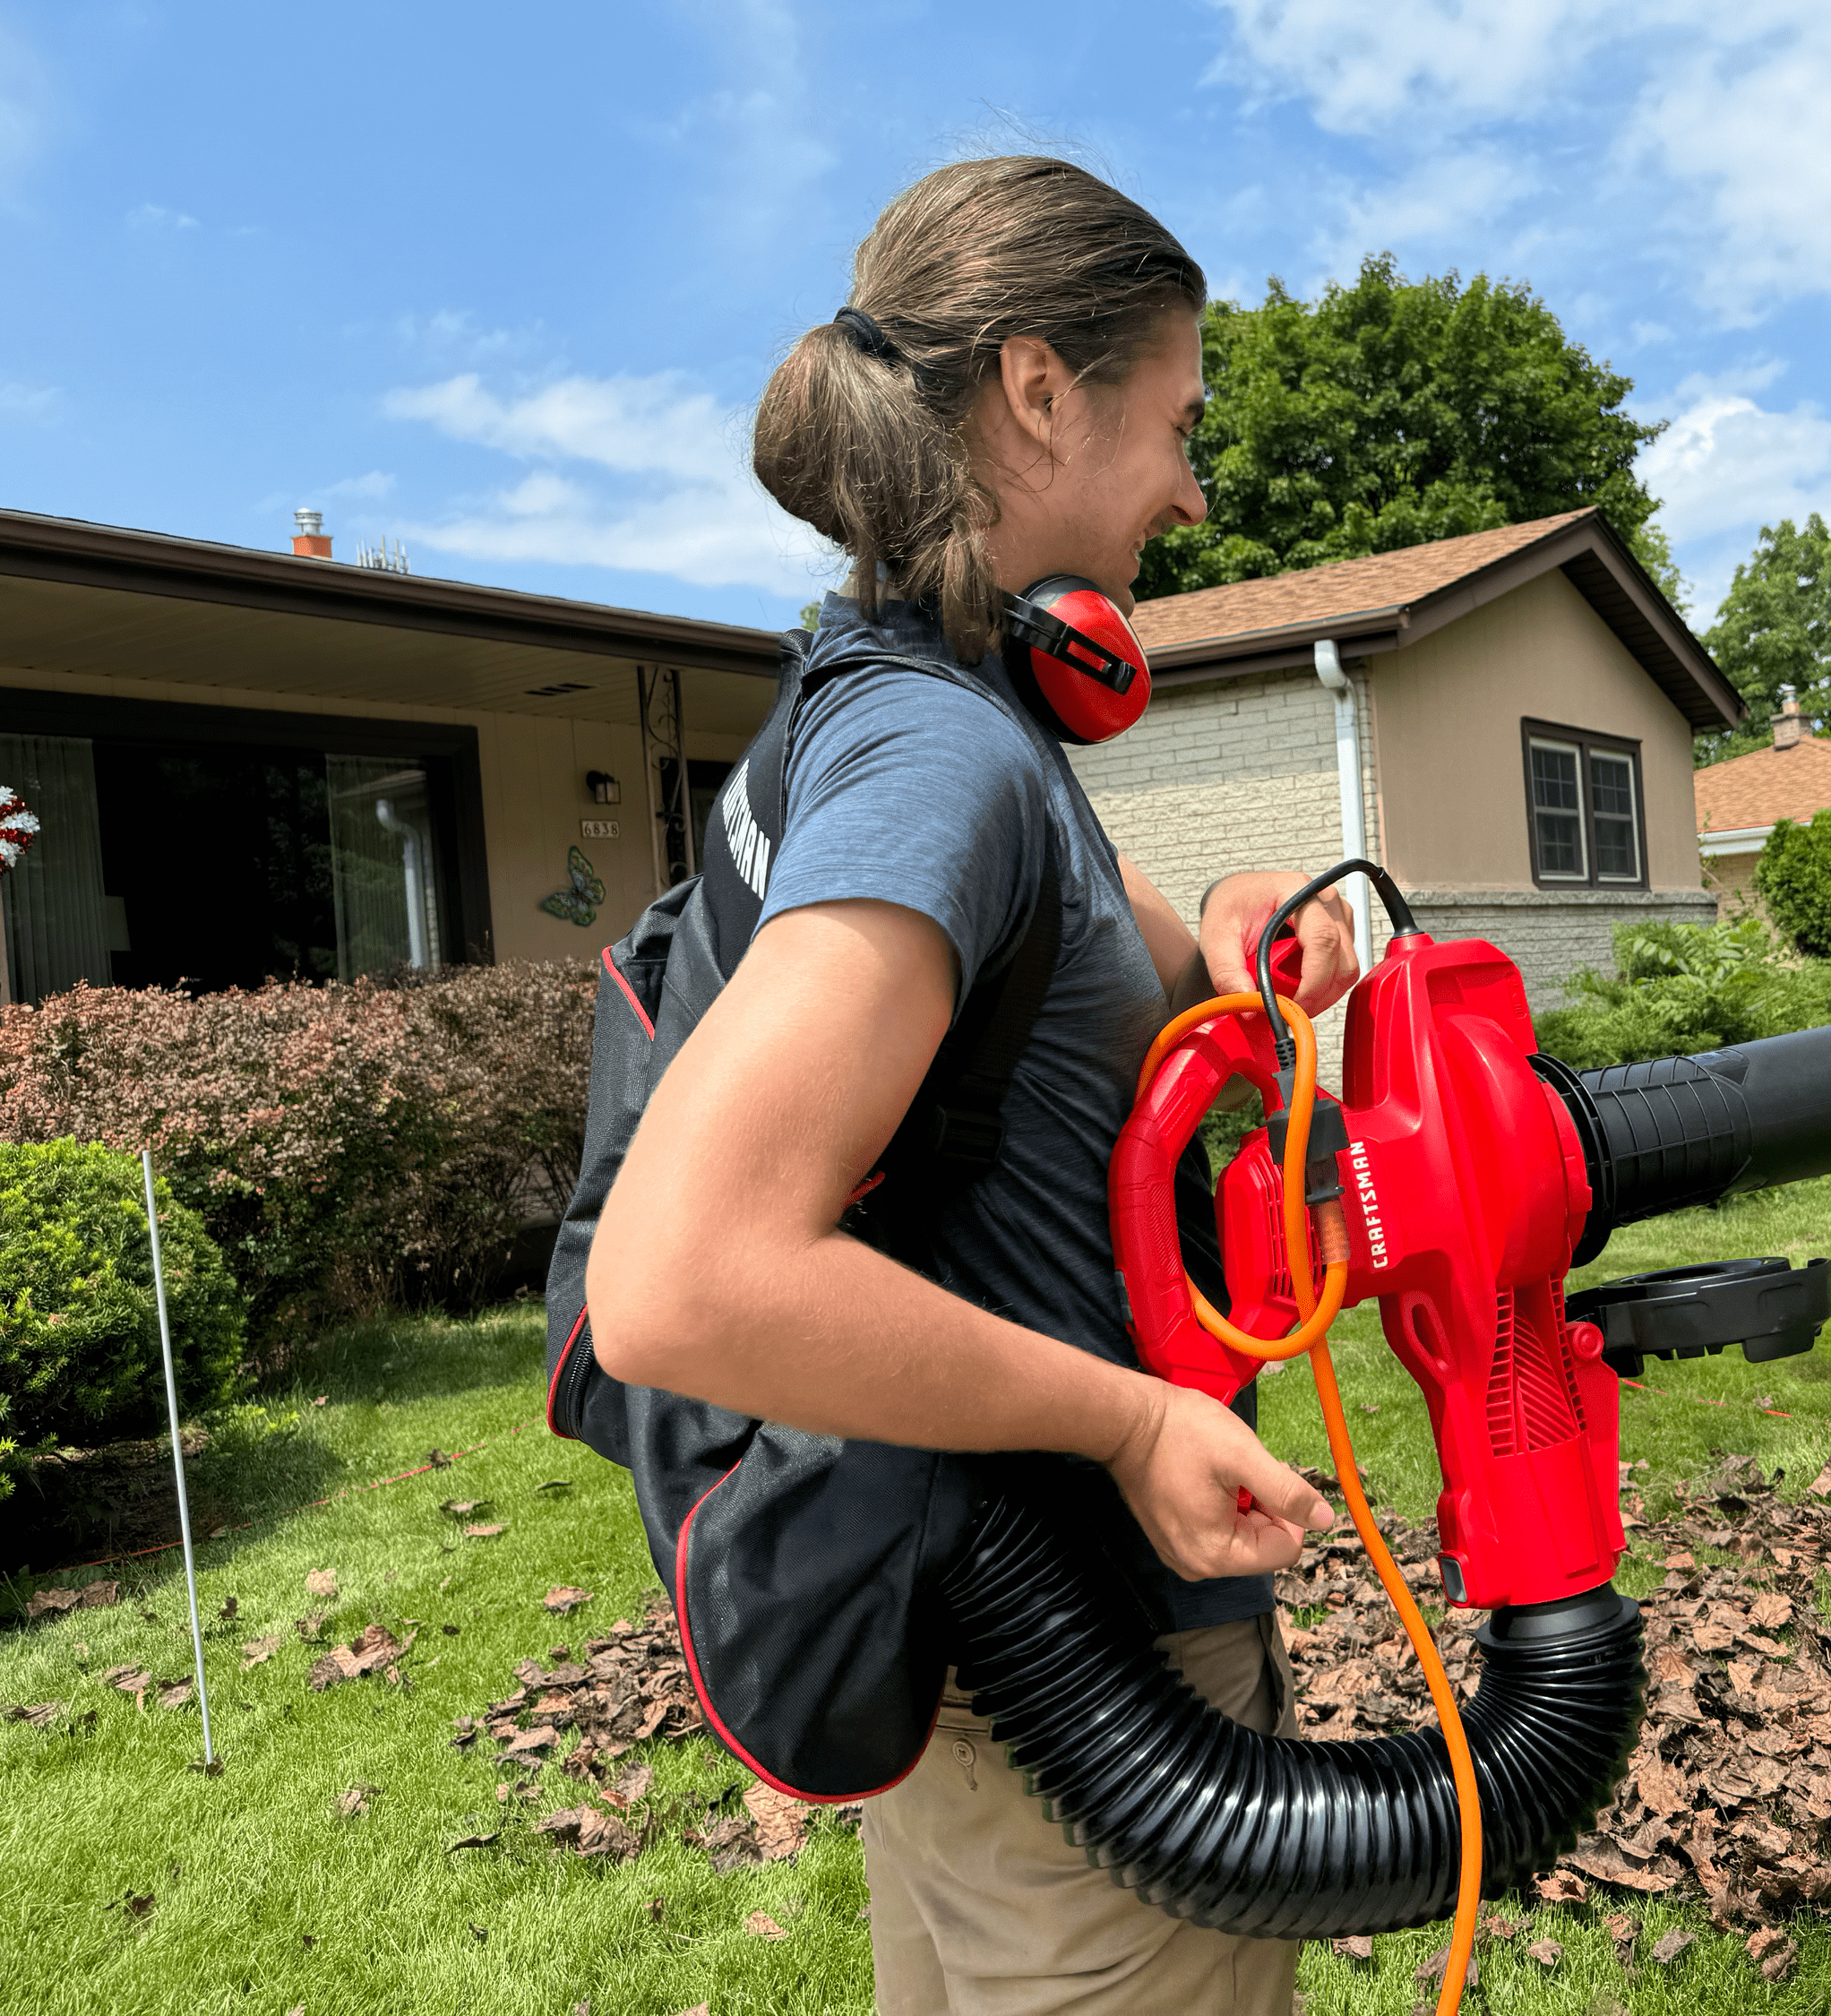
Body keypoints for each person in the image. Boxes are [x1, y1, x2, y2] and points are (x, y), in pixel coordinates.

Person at [585, 156, 1345, 2015]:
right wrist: (1130, 1425)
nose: (1188, 483)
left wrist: (1251, 919)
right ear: (1035, 390)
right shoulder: (944, 757)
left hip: (985, 1687)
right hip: (1082, 1705)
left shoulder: (903, 708)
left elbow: (1154, 964)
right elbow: (678, 1283)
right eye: (1174, 421)